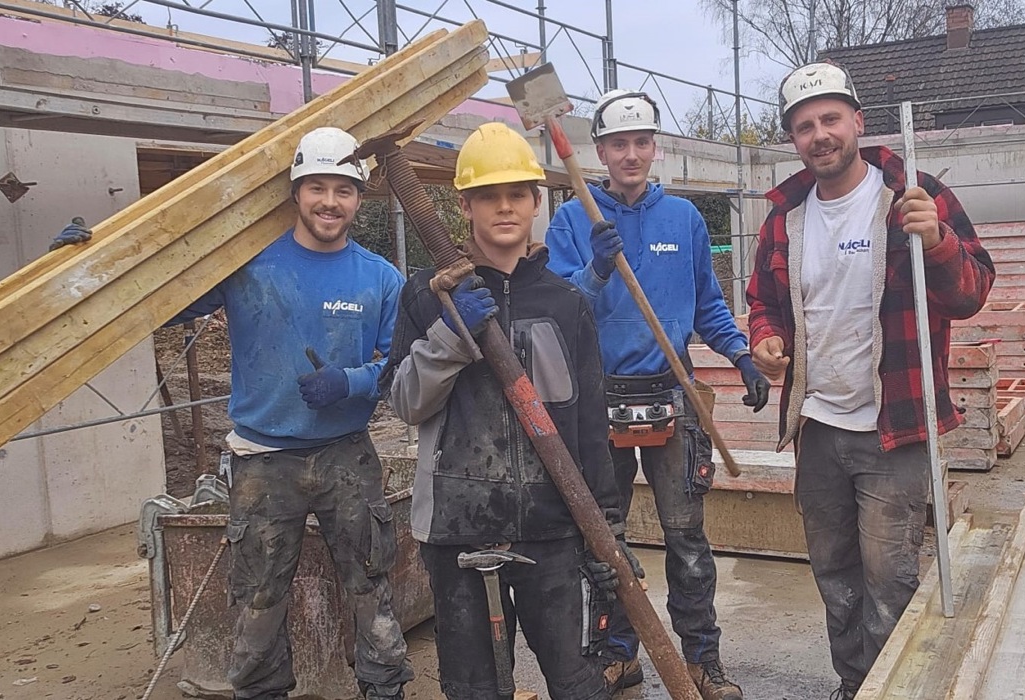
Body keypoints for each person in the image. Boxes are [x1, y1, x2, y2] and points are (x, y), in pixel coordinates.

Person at [745, 62, 995, 700]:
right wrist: (765, 341)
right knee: (834, 574)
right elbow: (764, 301)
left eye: (830, 118)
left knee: (890, 579)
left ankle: (896, 688)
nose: (819, 134)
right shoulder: (786, 217)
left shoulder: (913, 194)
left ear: (857, 121)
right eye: (804, 126)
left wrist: (936, 239)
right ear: (793, 139)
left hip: (894, 426)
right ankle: (854, 684)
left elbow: (971, 294)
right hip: (818, 428)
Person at [385, 121, 631, 700]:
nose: (504, 207)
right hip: (455, 526)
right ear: (464, 204)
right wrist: (448, 336)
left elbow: (590, 427)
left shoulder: (566, 303)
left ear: (535, 200)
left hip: (552, 524)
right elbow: (404, 403)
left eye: (517, 193)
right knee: (474, 688)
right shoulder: (426, 293)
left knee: (575, 682)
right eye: (489, 195)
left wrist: (609, 533)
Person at [171, 127, 412, 700]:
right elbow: (165, 302)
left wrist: (349, 381)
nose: (330, 201)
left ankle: (383, 689)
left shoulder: (379, 277)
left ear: (360, 197)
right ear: (295, 192)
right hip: (263, 459)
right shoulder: (249, 265)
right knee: (258, 594)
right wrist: (93, 258)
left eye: (344, 190)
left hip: (346, 452)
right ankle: (260, 692)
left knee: (370, 585)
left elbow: (402, 364)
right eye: (317, 188)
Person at [545, 90, 768, 700]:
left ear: (655, 146)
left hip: (671, 394)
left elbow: (707, 306)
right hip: (599, 397)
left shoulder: (686, 221)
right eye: (619, 143)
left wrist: (742, 355)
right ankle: (617, 654)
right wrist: (593, 268)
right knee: (606, 539)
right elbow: (563, 313)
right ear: (600, 150)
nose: (631, 154)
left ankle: (702, 661)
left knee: (687, 540)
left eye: (641, 141)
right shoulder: (573, 218)